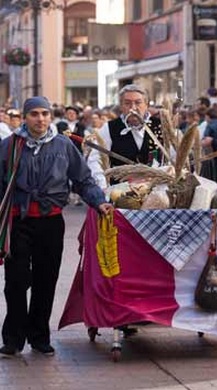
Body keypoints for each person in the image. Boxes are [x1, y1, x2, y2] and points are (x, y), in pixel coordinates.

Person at [0, 96, 113, 358]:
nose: (40, 119)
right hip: (18, 221)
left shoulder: (63, 145)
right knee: (16, 281)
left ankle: (39, 336)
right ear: (25, 118)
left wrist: (99, 202)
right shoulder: (9, 146)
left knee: (46, 279)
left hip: (51, 222)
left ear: (51, 117)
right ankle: (13, 338)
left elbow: (83, 180)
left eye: (44, 114)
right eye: (34, 114)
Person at [87, 84, 165, 189]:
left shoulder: (161, 126)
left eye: (138, 102)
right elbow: (95, 159)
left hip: (156, 191)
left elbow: (173, 157)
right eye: (127, 103)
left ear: (146, 105)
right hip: (120, 192)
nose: (133, 108)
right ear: (121, 106)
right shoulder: (110, 128)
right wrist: (103, 186)